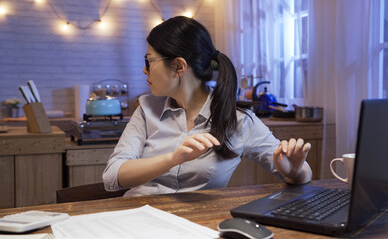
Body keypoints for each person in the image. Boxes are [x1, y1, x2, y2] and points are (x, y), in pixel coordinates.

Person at [103, 16, 312, 197]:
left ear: (178, 66)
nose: (144, 70)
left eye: (150, 61)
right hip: (137, 218)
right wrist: (173, 159)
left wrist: (294, 171)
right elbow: (112, 176)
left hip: (196, 224)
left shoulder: (237, 119)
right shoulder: (146, 109)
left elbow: (300, 171)